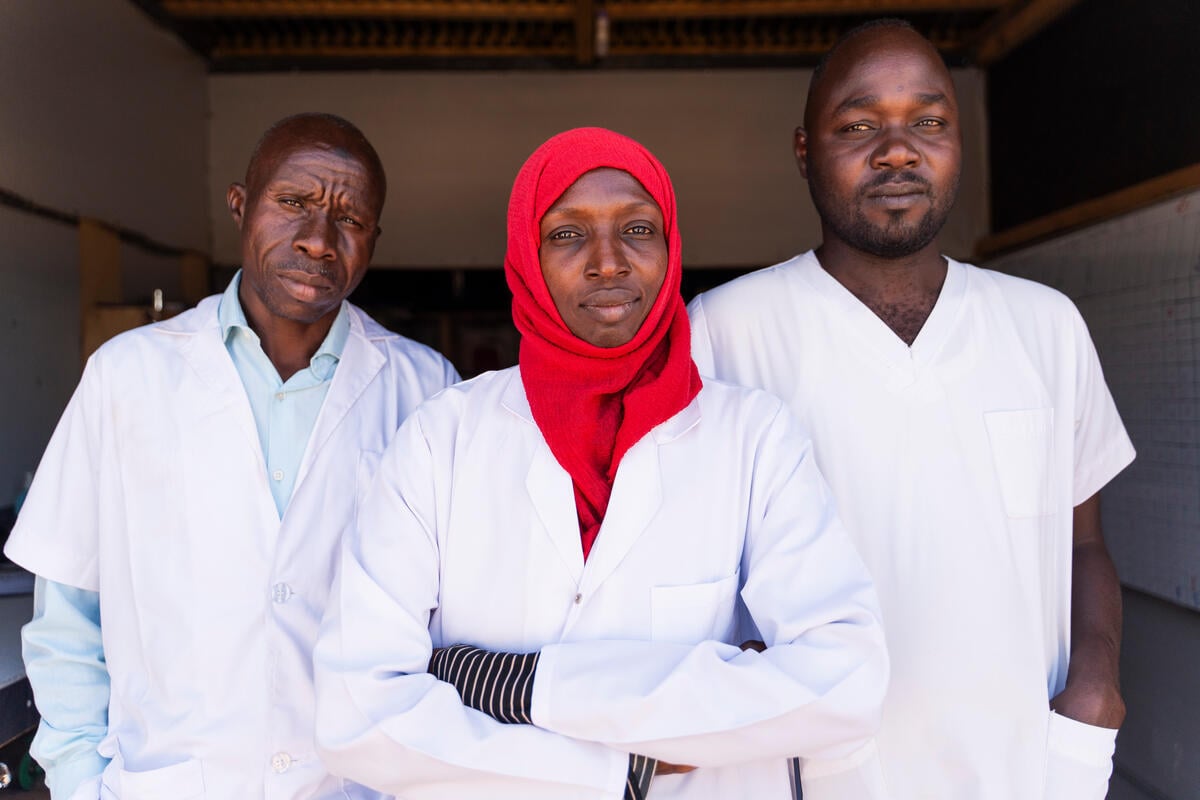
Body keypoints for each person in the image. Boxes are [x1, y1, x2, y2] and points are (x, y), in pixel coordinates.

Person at [313, 127, 890, 800]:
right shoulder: (443, 438)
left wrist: (521, 688)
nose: (608, 262)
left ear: (670, 247)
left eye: (637, 229)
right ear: (526, 257)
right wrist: (623, 764)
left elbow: (846, 681)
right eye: (566, 235)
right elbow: (355, 714)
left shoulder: (754, 438)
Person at [687, 19, 1136, 800]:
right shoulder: (723, 330)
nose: (898, 150)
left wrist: (1096, 690)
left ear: (961, 142)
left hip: (1025, 767)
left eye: (928, 122)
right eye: (859, 126)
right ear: (804, 152)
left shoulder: (1045, 324)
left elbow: (1085, 543)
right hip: (814, 774)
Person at [6, 112, 460, 800]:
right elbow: (68, 618)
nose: (317, 241)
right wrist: (79, 783)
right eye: (293, 203)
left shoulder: (428, 391)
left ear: (374, 239)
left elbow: (456, 628)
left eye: (350, 220)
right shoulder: (127, 377)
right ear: (240, 205)